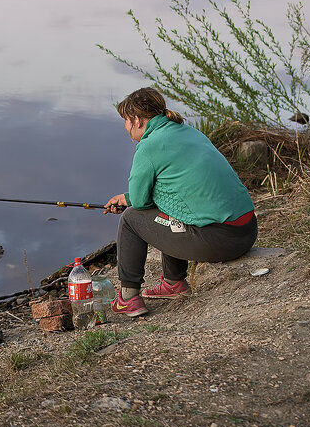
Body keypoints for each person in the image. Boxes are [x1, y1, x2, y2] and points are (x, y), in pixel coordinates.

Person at [104, 87, 257, 318]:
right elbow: (161, 193)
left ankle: (128, 297)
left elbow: (140, 203)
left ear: (136, 120)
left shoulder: (149, 145)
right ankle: (173, 283)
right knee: (163, 204)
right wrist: (128, 198)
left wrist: (128, 201)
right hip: (247, 231)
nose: (126, 127)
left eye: (126, 121)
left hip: (221, 241)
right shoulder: (187, 131)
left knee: (130, 218)